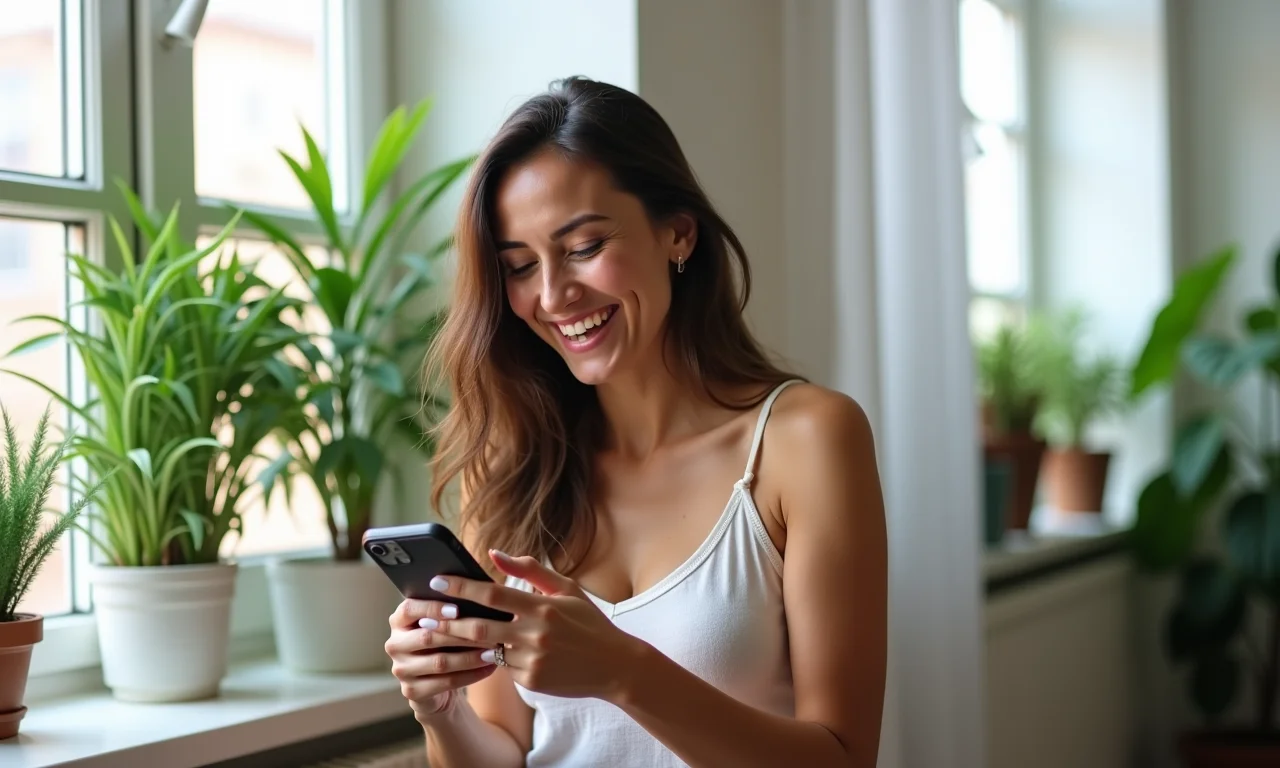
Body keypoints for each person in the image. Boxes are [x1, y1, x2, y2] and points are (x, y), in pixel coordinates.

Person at [384, 76, 887, 768]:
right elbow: (501, 748)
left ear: (678, 233)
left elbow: (843, 758)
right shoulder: (507, 467)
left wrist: (622, 670)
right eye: (521, 266)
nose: (554, 295)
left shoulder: (805, 440)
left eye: (585, 247)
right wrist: (440, 714)